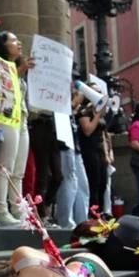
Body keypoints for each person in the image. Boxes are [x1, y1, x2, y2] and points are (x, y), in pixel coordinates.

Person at [0, 31, 34, 225]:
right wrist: (21, 69)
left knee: (19, 171)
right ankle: (1, 211)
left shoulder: (17, 68)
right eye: (14, 40)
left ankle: (17, 208)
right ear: (3, 46)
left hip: (22, 118)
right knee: (5, 167)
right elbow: (5, 87)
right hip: (6, 117)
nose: (19, 43)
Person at [55, 92, 90, 228]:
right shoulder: (57, 95)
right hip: (64, 143)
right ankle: (67, 223)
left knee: (82, 185)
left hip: (74, 145)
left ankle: (82, 222)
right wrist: (74, 102)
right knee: (69, 182)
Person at [77, 97, 109, 214]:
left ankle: (100, 212)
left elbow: (104, 135)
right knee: (94, 183)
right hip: (89, 151)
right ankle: (93, 214)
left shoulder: (98, 112)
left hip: (100, 151)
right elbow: (88, 130)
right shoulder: (84, 112)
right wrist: (97, 115)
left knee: (103, 183)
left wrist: (106, 154)